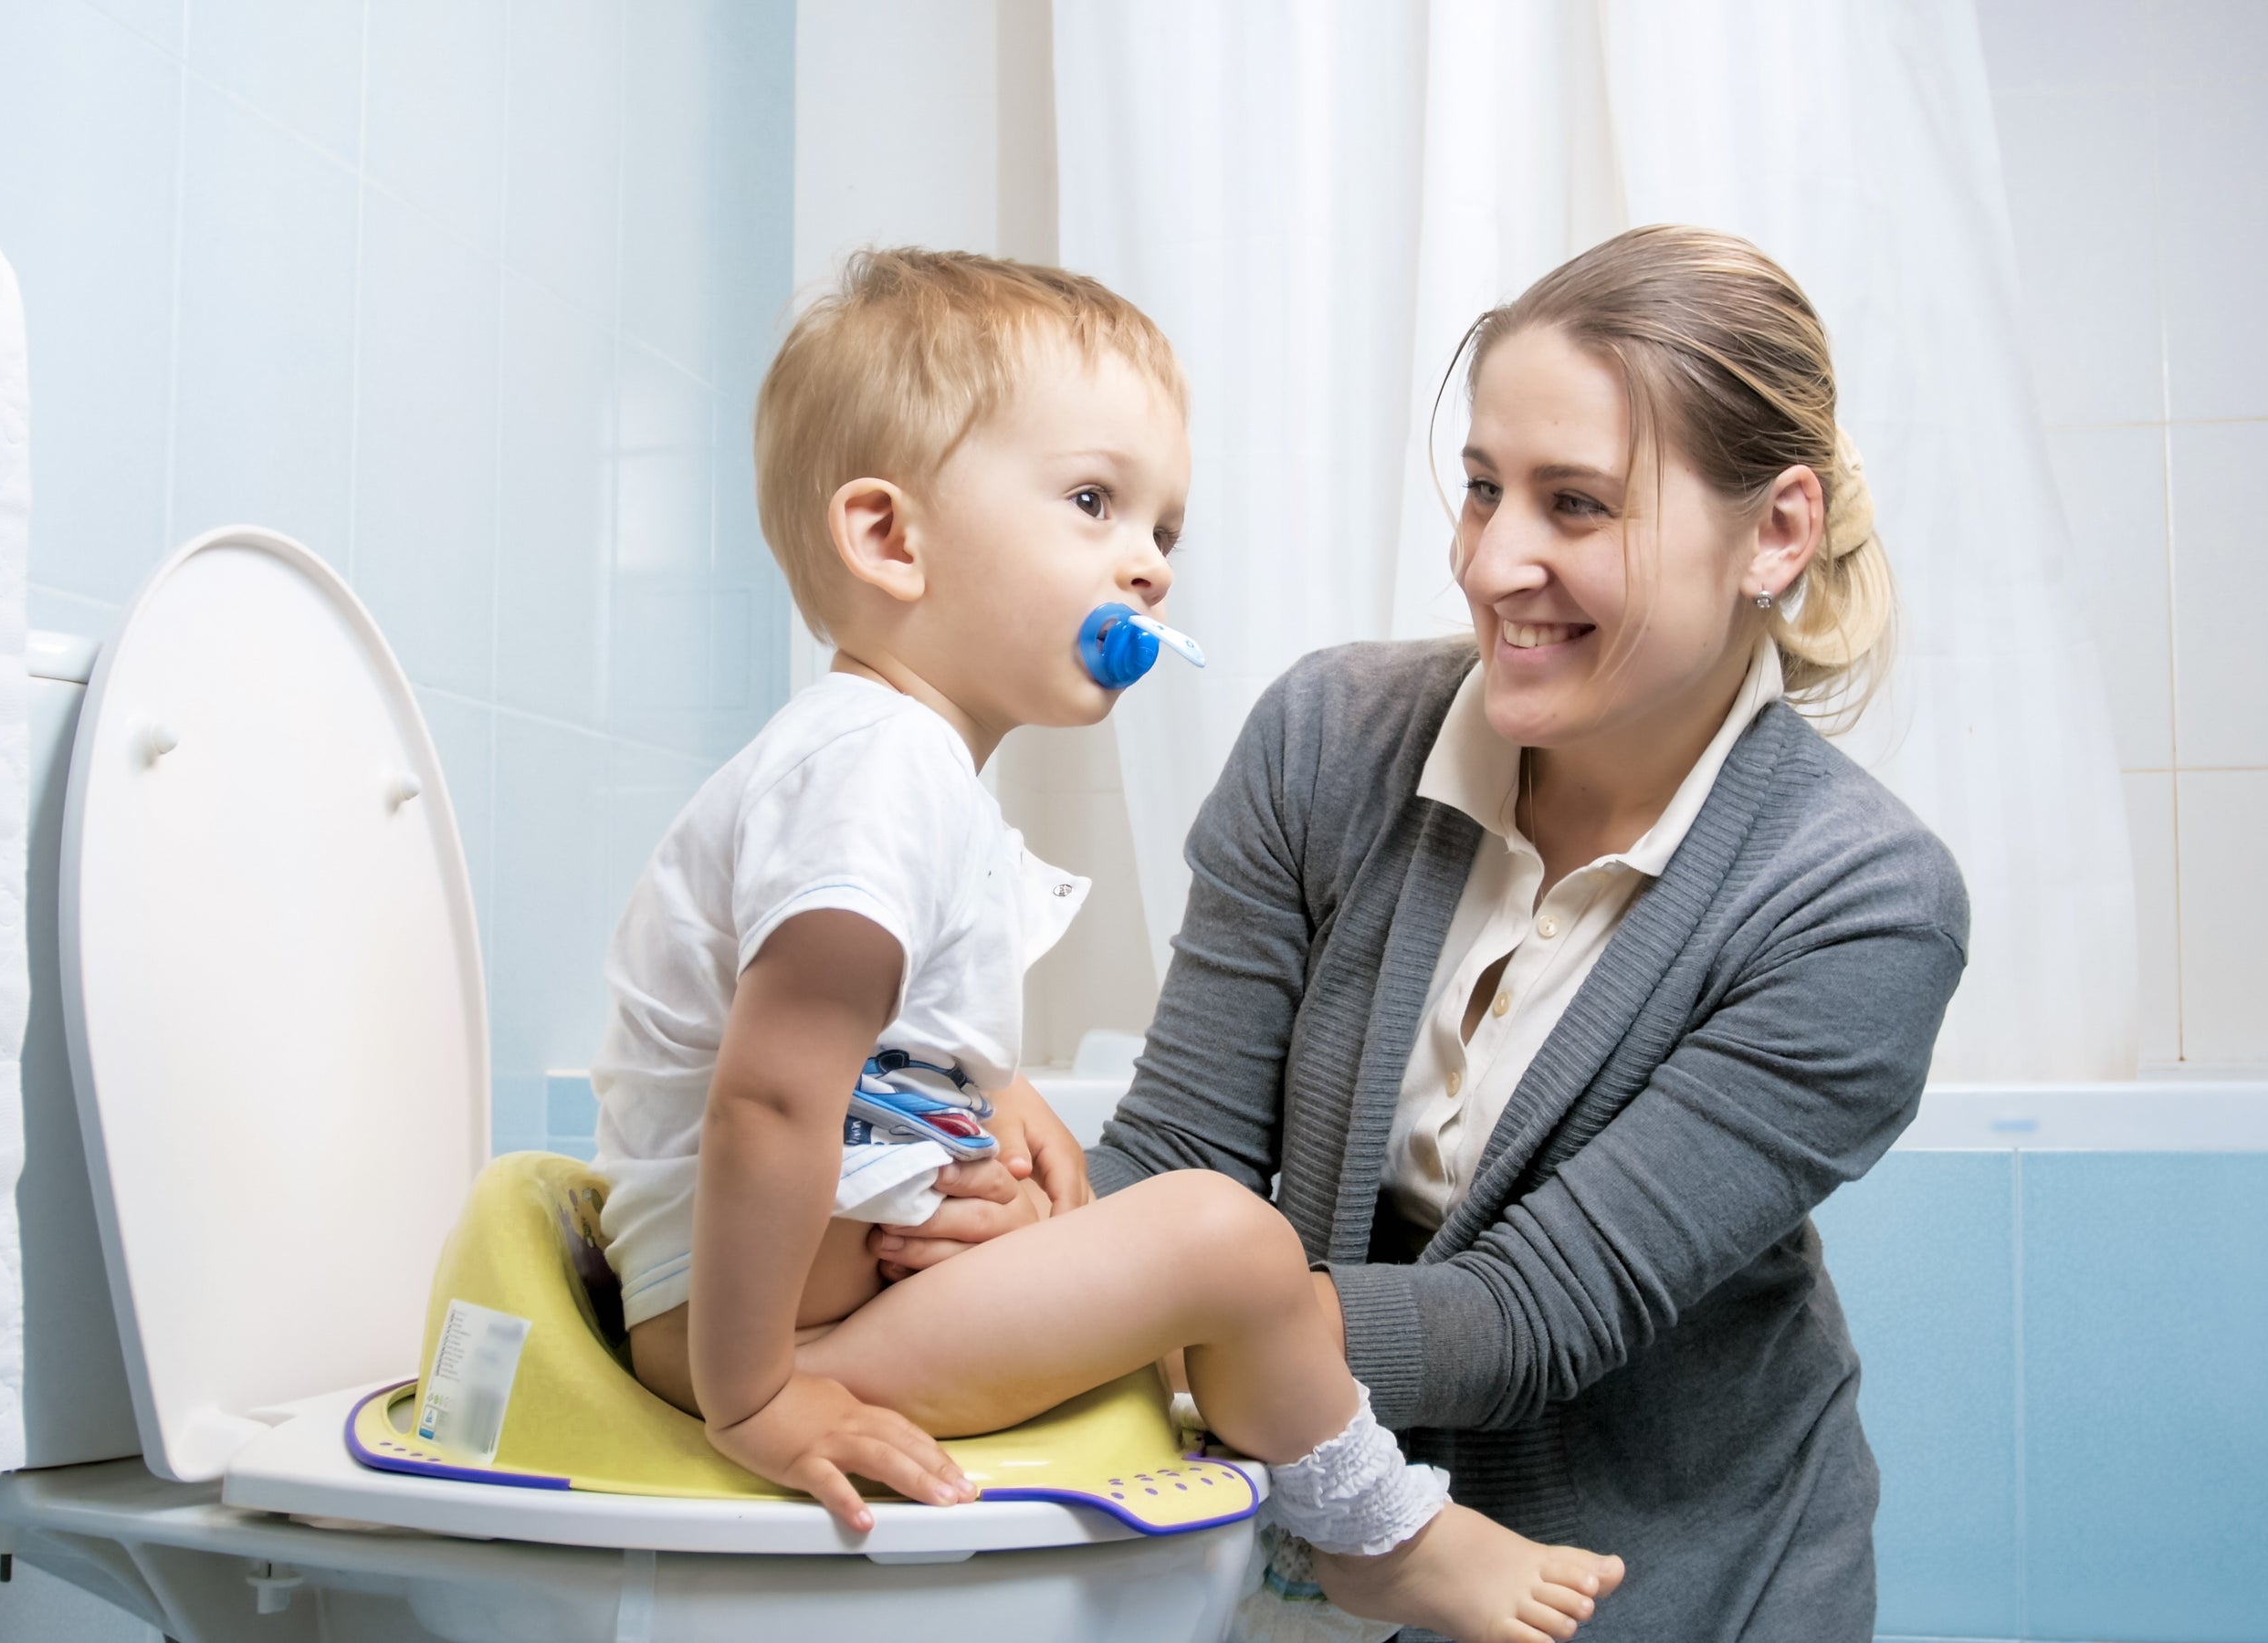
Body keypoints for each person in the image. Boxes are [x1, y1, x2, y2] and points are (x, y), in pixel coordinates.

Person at [875, 225, 1971, 1640]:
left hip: (1673, 1591)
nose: (1492, 559)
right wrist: (1027, 1232)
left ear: (1775, 532)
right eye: (1480, 488)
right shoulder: (1328, 740)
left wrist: (1102, 1298)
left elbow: (1525, 1320)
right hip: (1334, 1570)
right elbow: (1187, 1153)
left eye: (1575, 506)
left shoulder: (1859, 902)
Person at [586, 248, 1623, 1643]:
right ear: (892, 540)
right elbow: (768, 1095)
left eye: (1162, 529)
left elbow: (850, 1037)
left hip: (787, 1308)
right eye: (1092, 502)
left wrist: (996, 1099)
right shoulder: (875, 774)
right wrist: (757, 1396)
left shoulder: (899, 768)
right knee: (1227, 1243)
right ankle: (1379, 1534)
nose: (1145, 560)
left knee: (1160, 1295)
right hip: (755, 1337)